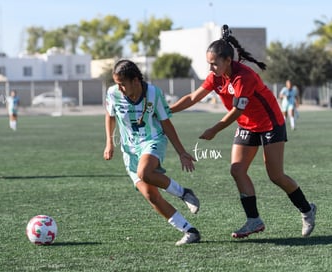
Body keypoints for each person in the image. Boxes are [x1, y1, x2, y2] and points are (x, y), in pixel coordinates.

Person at [171, 25, 316, 238]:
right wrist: (166, 110)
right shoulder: (215, 77)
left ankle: (307, 209)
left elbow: (238, 109)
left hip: (270, 123)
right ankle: (254, 220)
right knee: (237, 170)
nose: (211, 68)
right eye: (208, 64)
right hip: (248, 125)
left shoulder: (244, 77)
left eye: (214, 63)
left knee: (275, 175)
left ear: (228, 61)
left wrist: (215, 129)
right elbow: (193, 98)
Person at [103, 59, 201, 246]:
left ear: (135, 81)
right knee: (151, 195)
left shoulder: (154, 93)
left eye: (123, 84)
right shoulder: (113, 93)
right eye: (117, 84)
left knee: (145, 172)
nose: (120, 88)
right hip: (129, 150)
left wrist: (181, 152)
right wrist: (109, 141)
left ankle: (184, 193)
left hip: (153, 140)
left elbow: (166, 123)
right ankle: (189, 231)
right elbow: (110, 115)